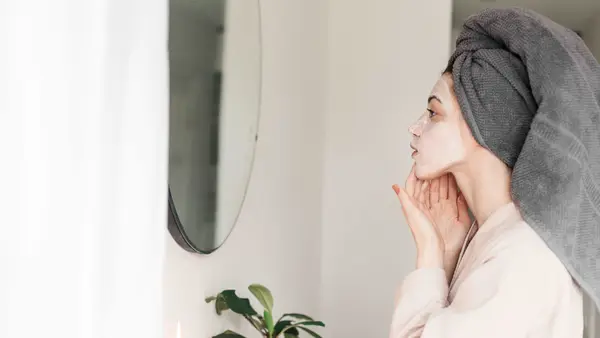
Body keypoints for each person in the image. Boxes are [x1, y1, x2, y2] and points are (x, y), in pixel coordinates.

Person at [388, 71, 583, 338]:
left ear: (481, 125)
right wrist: (448, 256)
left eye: (433, 113)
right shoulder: (493, 238)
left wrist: (429, 253)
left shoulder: (525, 258)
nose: (415, 127)